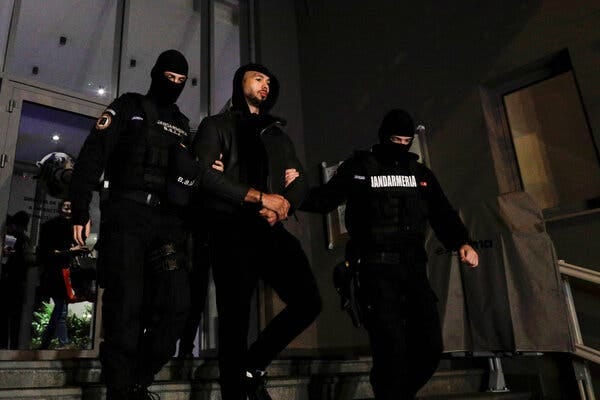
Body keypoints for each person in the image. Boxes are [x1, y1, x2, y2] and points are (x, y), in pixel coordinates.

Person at [300, 109, 479, 400]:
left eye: (407, 140)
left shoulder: (420, 174)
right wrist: (287, 198)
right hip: (375, 272)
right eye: (395, 139)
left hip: (414, 272)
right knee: (391, 349)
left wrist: (462, 242)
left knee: (431, 347)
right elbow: (324, 199)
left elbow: (442, 212)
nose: (401, 144)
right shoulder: (360, 167)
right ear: (384, 137)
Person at [70, 49, 195, 400]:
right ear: (156, 75)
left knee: (176, 304)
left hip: (167, 224)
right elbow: (94, 152)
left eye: (181, 82)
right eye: (169, 78)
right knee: (125, 306)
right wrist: (81, 206)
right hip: (127, 216)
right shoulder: (128, 106)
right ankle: (121, 390)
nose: (174, 85)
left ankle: (137, 379)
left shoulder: (183, 125)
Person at [192, 63, 322, 400]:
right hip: (229, 228)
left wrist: (283, 206)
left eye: (269, 81)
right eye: (258, 78)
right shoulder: (216, 125)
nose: (265, 85)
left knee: (308, 301)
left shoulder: (276, 133)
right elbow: (205, 176)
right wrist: (259, 196)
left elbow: (301, 181)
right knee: (235, 318)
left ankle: (252, 365)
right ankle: (236, 391)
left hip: (267, 228)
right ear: (240, 83)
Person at [38, 200, 78, 349]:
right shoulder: (63, 228)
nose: (68, 211)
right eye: (65, 207)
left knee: (61, 307)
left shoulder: (57, 226)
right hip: (58, 271)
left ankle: (50, 341)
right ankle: (58, 341)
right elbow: (49, 251)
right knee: (61, 306)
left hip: (58, 271)